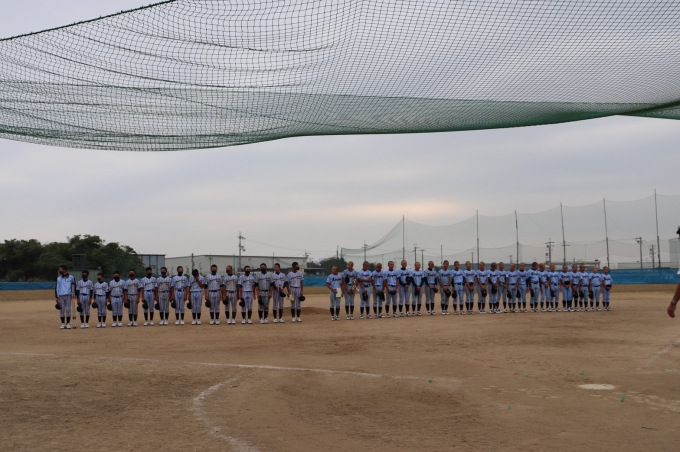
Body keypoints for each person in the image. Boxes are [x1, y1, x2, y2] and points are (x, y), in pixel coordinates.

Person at [55, 265, 76, 330]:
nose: (60, 271)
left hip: (68, 295)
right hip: (61, 295)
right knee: (61, 309)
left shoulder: (71, 277)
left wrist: (74, 293)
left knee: (68, 309)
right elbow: (57, 287)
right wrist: (56, 296)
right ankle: (63, 323)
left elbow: (74, 285)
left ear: (64, 270)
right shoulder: (58, 278)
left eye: (60, 269)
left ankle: (68, 323)